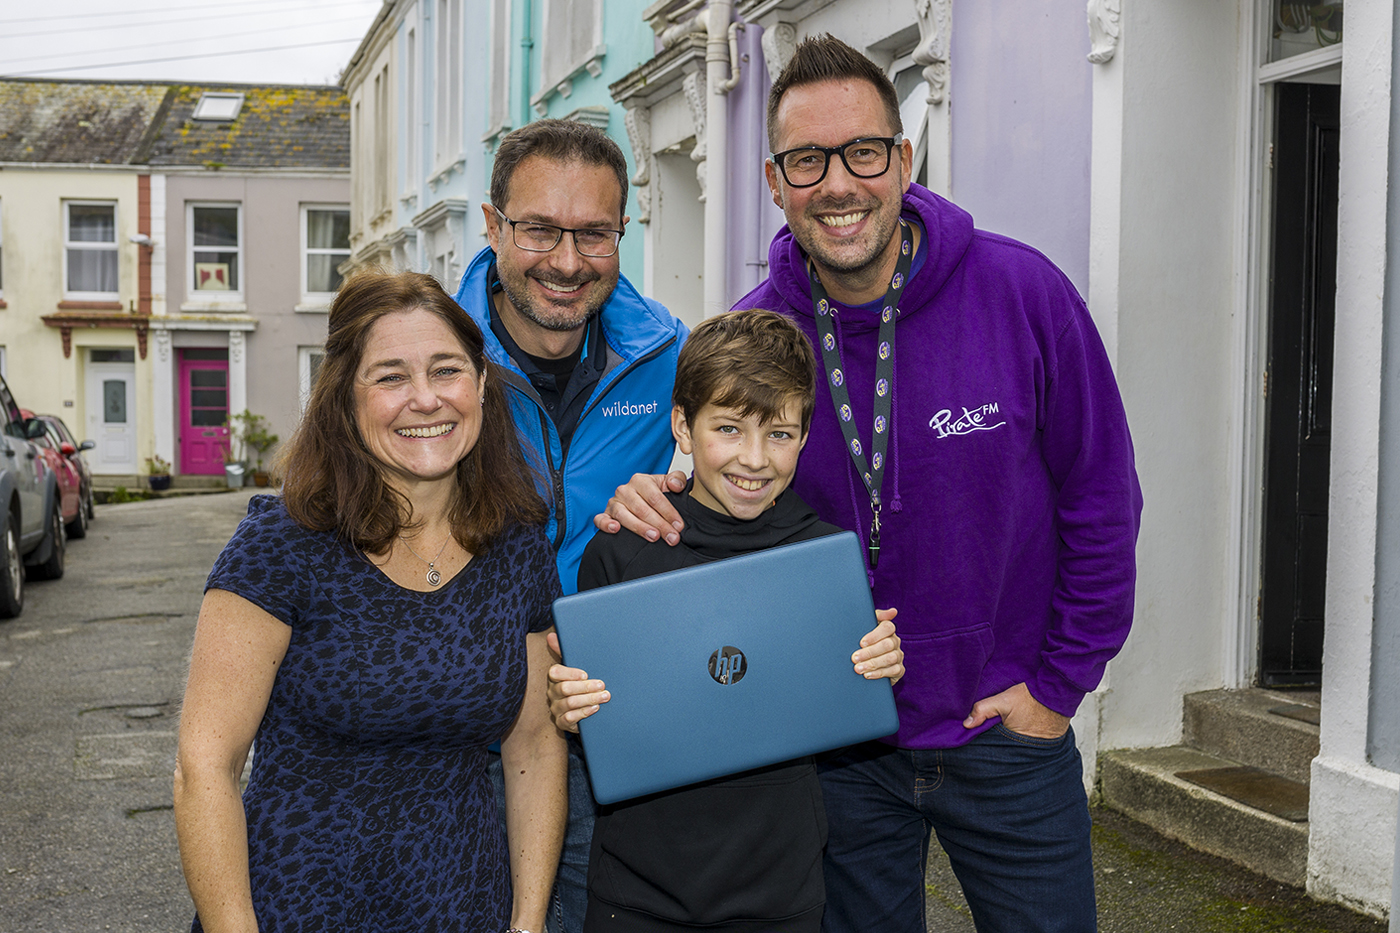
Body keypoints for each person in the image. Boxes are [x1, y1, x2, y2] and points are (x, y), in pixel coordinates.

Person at [599, 35, 1144, 933]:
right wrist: (650, 497)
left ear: (903, 159)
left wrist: (1059, 686)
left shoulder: (1023, 294)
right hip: (837, 752)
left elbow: (1102, 496)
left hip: (1006, 732)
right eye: (807, 161)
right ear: (775, 182)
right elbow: (721, 498)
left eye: (862, 152)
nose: (838, 184)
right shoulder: (754, 338)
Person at [173, 271, 567, 933]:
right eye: (390, 376)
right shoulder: (284, 543)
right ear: (344, 399)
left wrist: (527, 923)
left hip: (463, 908)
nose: (425, 399)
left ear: (480, 383)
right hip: (296, 909)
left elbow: (534, 748)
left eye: (446, 370)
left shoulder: (518, 545)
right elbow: (204, 767)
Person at [547, 308, 904, 933]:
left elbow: (842, 708)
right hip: (638, 886)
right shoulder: (624, 548)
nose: (755, 459)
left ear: (805, 435)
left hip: (780, 886)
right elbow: (599, 716)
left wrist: (876, 667)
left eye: (780, 433)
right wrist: (571, 709)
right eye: (730, 429)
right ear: (682, 426)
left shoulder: (822, 559)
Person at [452, 119, 688, 933]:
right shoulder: (430, 357)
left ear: (623, 232)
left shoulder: (668, 358)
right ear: (493, 226)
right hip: (452, 740)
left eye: (593, 233)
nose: (565, 260)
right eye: (539, 229)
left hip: (603, 735)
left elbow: (736, 495)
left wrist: (678, 498)